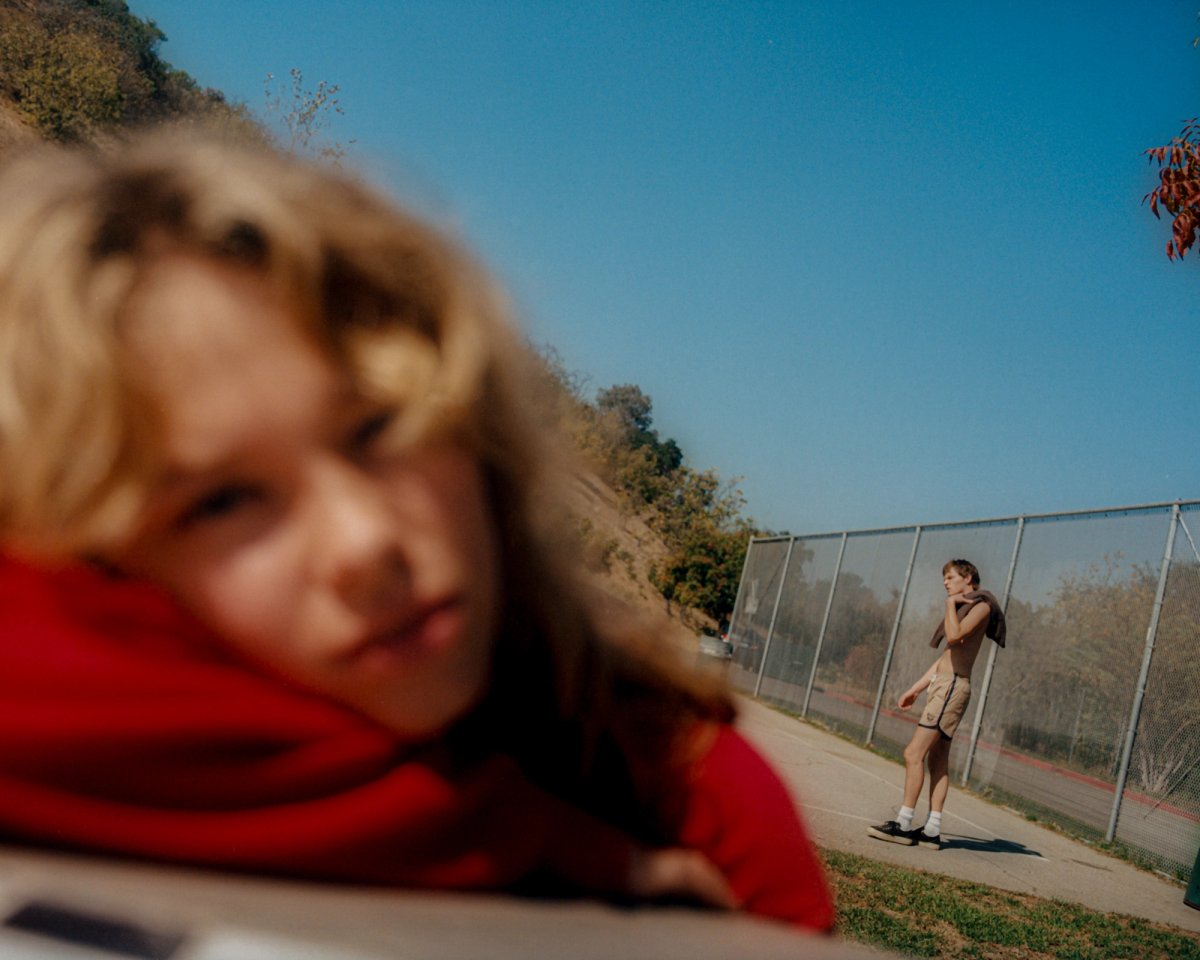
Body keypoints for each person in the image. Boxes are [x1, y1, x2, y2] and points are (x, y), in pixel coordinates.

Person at [0, 130, 833, 931]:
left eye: (381, 426)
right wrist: (501, 828)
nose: (363, 543)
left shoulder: (690, 795)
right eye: (220, 502)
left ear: (477, 428)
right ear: (98, 561)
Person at [867, 559, 1005, 850]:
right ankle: (932, 830)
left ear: (968, 577)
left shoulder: (982, 606)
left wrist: (949, 605)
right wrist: (915, 689)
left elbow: (954, 636)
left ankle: (903, 824)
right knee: (937, 759)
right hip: (945, 684)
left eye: (951, 577)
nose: (945, 582)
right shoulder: (965, 607)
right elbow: (946, 657)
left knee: (913, 753)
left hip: (951, 687)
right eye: (944, 578)